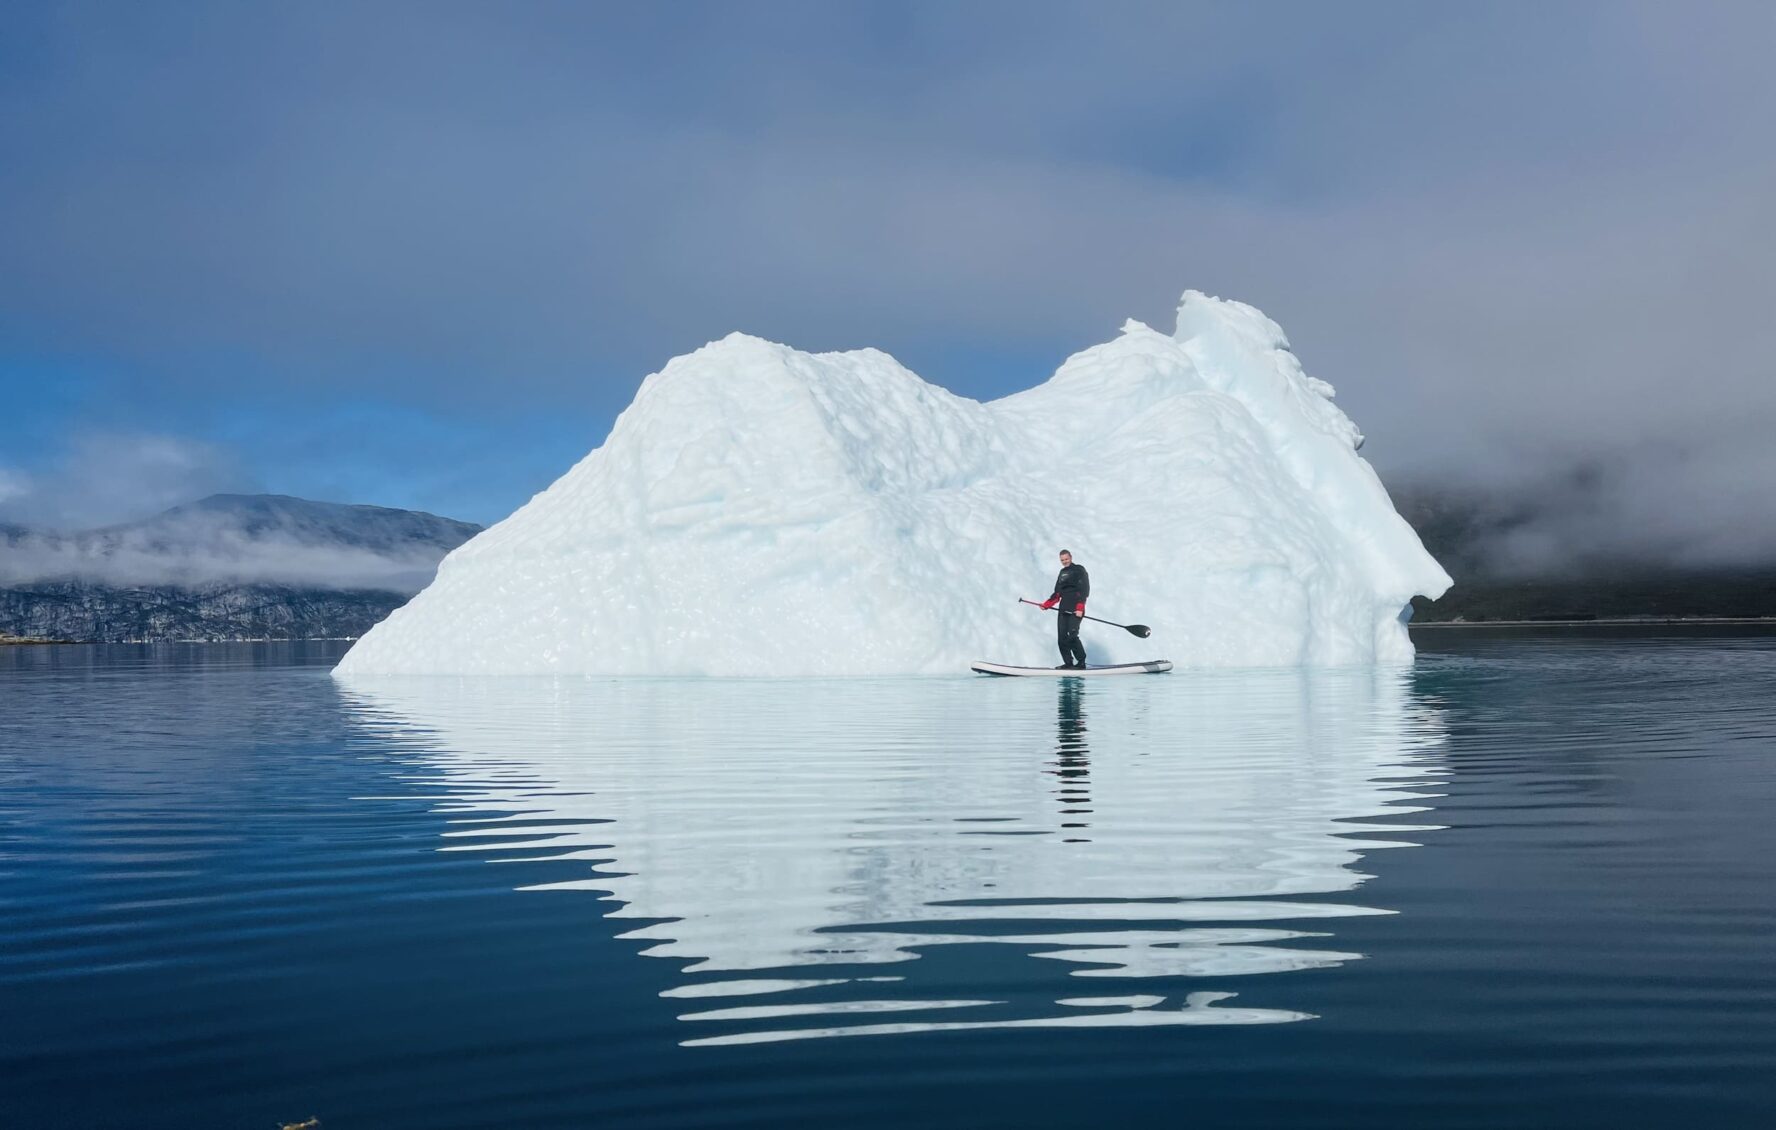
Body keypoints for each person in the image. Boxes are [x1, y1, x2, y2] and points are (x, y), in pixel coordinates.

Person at [1039, 549, 1090, 668]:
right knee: (1062, 638)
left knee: (1072, 635)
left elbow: (1085, 589)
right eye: (1062, 560)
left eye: (1066, 559)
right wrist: (1046, 604)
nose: (1064, 562)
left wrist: (1080, 607)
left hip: (1076, 608)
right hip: (1063, 609)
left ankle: (1081, 662)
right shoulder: (1062, 572)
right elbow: (1057, 593)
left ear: (1071, 557)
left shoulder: (1079, 570)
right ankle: (1068, 663)